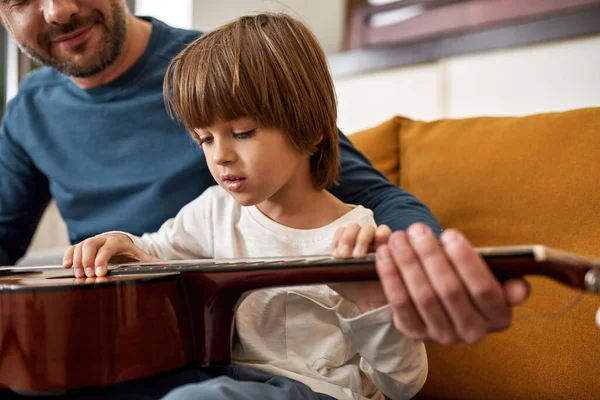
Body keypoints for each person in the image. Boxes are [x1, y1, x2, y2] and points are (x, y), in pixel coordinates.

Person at [0, 0, 527, 350]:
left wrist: (428, 270)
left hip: (213, 352)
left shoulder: (215, 73)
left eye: (239, 134)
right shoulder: (28, 112)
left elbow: (369, 195)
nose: (60, 9)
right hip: (108, 346)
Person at [64, 14, 425, 400]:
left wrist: (371, 301)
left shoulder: (359, 239)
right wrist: (116, 243)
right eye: (204, 139)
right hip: (230, 381)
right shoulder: (214, 212)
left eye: (242, 133)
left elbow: (404, 384)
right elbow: (151, 251)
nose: (220, 156)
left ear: (312, 128)